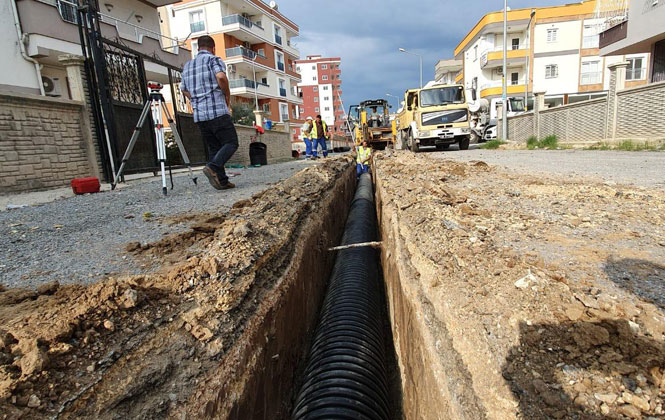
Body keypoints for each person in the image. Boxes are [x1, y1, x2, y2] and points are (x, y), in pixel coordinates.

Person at [180, 35, 237, 191]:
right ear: (213, 48)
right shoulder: (213, 59)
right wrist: (226, 95)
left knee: (214, 148)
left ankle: (222, 181)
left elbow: (184, 89)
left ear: (198, 48)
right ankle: (212, 166)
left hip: (200, 115)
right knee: (231, 142)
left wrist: (197, 98)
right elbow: (221, 77)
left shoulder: (188, 66)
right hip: (217, 111)